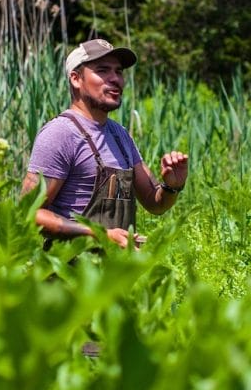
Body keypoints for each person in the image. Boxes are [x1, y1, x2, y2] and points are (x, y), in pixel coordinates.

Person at [22, 38, 189, 248]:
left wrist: (172, 186)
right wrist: (98, 235)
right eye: (102, 70)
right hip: (70, 272)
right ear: (76, 78)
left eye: (118, 71)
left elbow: (155, 203)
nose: (115, 79)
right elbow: (29, 213)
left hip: (115, 272)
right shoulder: (60, 133)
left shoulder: (120, 135)